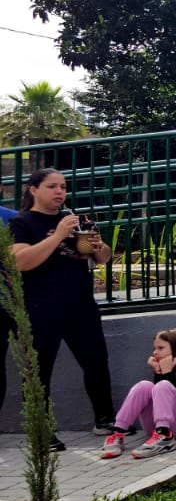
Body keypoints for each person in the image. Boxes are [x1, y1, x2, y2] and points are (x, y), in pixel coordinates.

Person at [8, 168, 116, 451]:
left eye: (63, 187)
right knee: (39, 370)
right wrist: (57, 235)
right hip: (41, 306)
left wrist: (98, 245)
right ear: (34, 189)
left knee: (96, 362)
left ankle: (105, 420)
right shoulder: (21, 223)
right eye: (52, 186)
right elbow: (20, 262)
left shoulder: (74, 218)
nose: (59, 192)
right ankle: (41, 433)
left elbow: (103, 258)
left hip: (80, 304)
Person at [101, 328, 176, 459]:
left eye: (160, 348)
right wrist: (158, 371)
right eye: (154, 348)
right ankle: (118, 433)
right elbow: (160, 401)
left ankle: (164, 437)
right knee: (144, 386)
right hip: (160, 425)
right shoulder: (161, 369)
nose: (155, 352)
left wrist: (166, 373)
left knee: (162, 385)